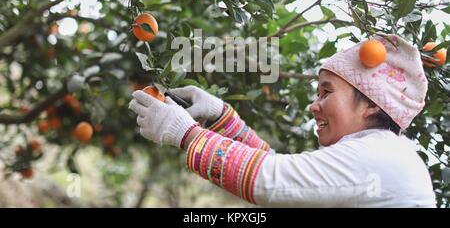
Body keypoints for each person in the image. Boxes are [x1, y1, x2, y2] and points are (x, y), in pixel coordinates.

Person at [128, 34, 436, 207]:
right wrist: (222, 118)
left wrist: (186, 134)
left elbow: (271, 180)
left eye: (326, 92)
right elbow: (285, 172)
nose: (314, 106)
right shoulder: (377, 151)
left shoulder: (376, 156)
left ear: (370, 104)